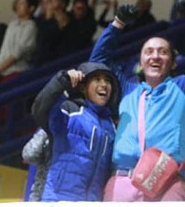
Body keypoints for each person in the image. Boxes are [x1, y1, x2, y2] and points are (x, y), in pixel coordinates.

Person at [90, 0, 185, 202]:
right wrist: (117, 24)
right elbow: (98, 62)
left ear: (173, 63)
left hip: (166, 183)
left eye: (163, 52)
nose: (155, 56)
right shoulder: (126, 90)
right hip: (121, 181)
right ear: (140, 63)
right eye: (149, 52)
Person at [31, 61, 120, 201]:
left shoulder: (111, 126)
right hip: (58, 199)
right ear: (83, 87)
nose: (104, 84)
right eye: (97, 79)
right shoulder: (69, 110)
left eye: (108, 80)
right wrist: (62, 81)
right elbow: (40, 109)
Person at [0, 0, 37, 83]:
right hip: (2, 72)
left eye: (22, 4)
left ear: (31, 8)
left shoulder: (30, 26)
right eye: (18, 3)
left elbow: (18, 52)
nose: (18, 6)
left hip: (16, 71)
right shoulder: (12, 24)